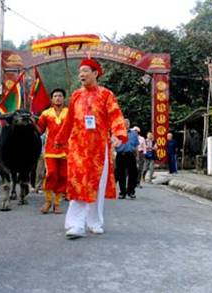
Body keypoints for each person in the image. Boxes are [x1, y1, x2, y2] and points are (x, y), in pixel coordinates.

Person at [55, 58, 127, 239]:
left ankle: (94, 222)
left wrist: (118, 135)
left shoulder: (106, 95)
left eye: (86, 70)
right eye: (80, 71)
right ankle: (75, 224)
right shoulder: (76, 96)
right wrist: (60, 138)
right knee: (79, 184)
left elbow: (116, 115)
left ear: (96, 73)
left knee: (97, 186)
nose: (82, 74)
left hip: (98, 148)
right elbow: (69, 120)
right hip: (78, 147)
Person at [36, 88, 68, 214]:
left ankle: (57, 203)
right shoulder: (46, 114)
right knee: (51, 174)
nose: (58, 98)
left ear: (63, 98)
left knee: (63, 176)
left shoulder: (69, 112)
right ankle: (48, 201)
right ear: (52, 99)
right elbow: (40, 130)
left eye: (60, 95)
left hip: (66, 151)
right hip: (50, 150)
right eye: (55, 96)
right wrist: (33, 124)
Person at [115, 119, 139, 199]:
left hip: (130, 155)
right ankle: (122, 192)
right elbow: (113, 145)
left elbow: (136, 146)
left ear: (129, 124)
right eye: (124, 123)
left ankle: (131, 191)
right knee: (121, 174)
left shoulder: (134, 134)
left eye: (127, 123)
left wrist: (137, 156)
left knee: (133, 174)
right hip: (120, 155)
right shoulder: (117, 133)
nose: (126, 124)